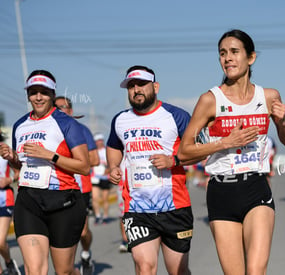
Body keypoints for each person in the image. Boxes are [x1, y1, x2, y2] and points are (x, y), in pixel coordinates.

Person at [177, 29, 285, 275]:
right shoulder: (210, 100)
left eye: (234, 52)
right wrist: (226, 142)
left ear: (250, 58)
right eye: (222, 53)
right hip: (221, 191)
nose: (227, 58)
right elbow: (184, 152)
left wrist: (282, 122)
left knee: (255, 270)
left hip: (256, 187)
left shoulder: (269, 96)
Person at [107, 65, 201, 275]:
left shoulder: (176, 116)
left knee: (178, 270)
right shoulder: (120, 120)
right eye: (131, 86)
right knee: (144, 266)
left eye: (141, 84)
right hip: (137, 208)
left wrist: (173, 161)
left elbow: (200, 151)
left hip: (174, 207)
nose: (136, 89)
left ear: (155, 87)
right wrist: (113, 166)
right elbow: (113, 147)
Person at [0, 70, 90, 275]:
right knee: (35, 270)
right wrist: (13, 158)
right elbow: (21, 167)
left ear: (52, 93)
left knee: (64, 271)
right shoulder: (20, 125)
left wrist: (50, 155)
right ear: (28, 95)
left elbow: (84, 166)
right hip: (29, 201)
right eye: (33, 92)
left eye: (44, 92)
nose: (38, 97)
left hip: (63, 201)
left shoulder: (67, 123)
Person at [55, 96, 99, 275]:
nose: (59, 110)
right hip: (57, 188)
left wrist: (71, 159)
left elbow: (95, 159)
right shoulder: (49, 131)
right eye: (55, 107)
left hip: (81, 189)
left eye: (63, 107)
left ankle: (86, 254)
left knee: (82, 232)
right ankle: (68, 268)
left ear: (70, 111)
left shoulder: (81, 130)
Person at [0, 129, 21, 275]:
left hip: (4, 198)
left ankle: (8, 262)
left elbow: (20, 172)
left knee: (0, 242)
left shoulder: (4, 149)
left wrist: (9, 179)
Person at [91, 133, 111, 225]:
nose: (99, 142)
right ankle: (98, 216)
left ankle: (106, 216)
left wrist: (108, 170)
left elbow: (111, 163)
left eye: (101, 140)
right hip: (95, 177)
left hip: (105, 177)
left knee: (105, 199)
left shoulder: (106, 151)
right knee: (95, 198)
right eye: (97, 141)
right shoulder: (93, 151)